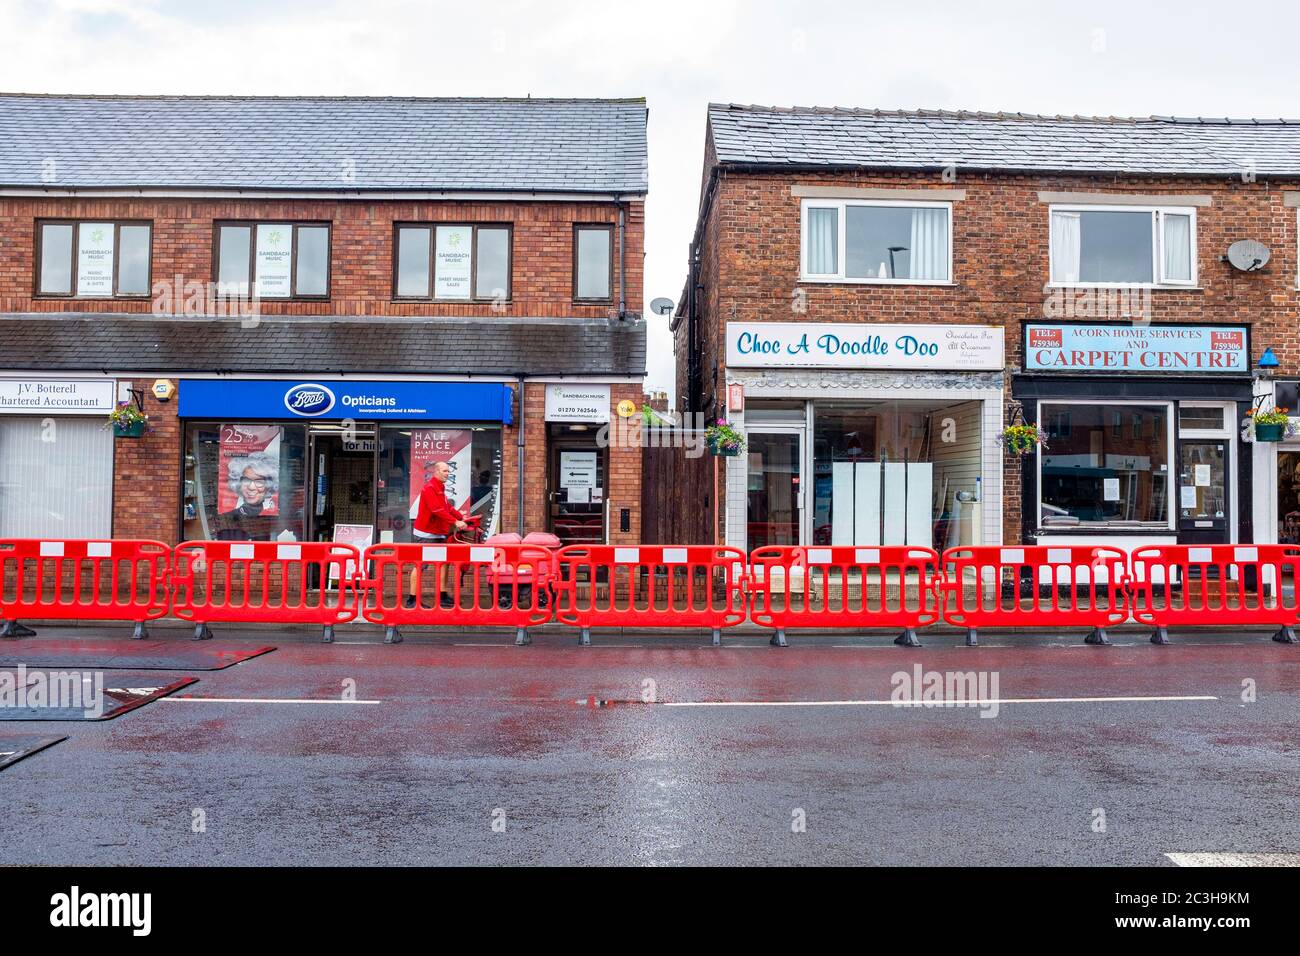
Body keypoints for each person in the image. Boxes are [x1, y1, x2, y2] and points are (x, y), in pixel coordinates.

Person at [407, 460, 468, 609]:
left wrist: (461, 517)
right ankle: (412, 600)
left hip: (438, 533)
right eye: (445, 471)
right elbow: (436, 510)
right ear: (436, 472)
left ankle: (442, 596)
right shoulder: (429, 488)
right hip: (426, 534)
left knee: (444, 563)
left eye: (448, 471)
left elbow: (447, 507)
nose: (448, 473)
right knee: (420, 565)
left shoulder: (440, 487)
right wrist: (455, 521)